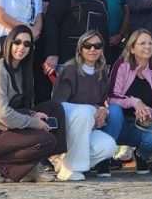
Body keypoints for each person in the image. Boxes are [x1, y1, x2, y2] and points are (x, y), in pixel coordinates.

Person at [0, 25, 59, 183]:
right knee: (46, 140)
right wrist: (33, 123)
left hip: (2, 128)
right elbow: (3, 114)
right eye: (17, 42)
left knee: (54, 109)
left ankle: (24, 169)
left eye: (27, 44)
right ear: (9, 43)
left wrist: (32, 114)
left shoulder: (21, 70)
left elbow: (15, 106)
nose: (21, 47)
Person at [44, 31, 118, 181]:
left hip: (87, 123)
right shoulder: (69, 69)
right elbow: (58, 103)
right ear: (80, 48)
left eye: (97, 46)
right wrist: (92, 110)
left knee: (109, 146)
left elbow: (101, 101)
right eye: (87, 46)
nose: (92, 49)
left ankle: (65, 164)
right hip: (68, 119)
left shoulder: (102, 72)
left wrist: (103, 109)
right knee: (85, 111)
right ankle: (73, 168)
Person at [103, 29, 152, 173]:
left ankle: (141, 155)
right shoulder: (122, 65)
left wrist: (149, 112)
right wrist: (135, 102)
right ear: (132, 48)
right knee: (114, 110)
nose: (148, 46)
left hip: (141, 125)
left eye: (151, 43)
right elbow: (112, 96)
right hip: (117, 124)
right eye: (142, 43)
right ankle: (104, 158)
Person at [42, 0, 109, 81]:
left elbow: (104, 32)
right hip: (67, 61)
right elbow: (51, 23)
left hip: (94, 62)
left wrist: (105, 59)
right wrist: (52, 53)